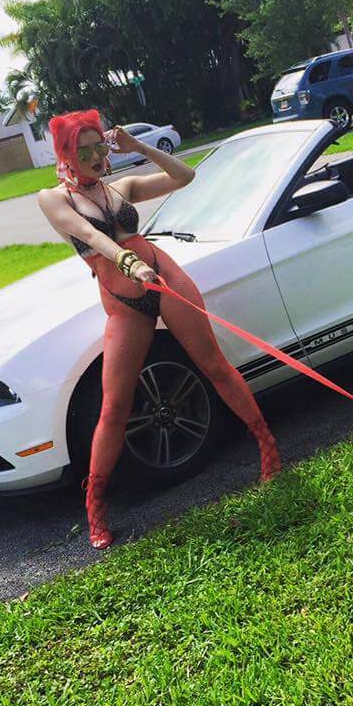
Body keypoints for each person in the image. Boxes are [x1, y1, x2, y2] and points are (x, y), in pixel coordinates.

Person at [37, 109, 281, 549]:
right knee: (114, 406)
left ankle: (267, 447)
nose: (95, 156)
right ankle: (95, 508)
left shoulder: (121, 188)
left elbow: (184, 176)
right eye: (84, 150)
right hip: (123, 300)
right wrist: (123, 258)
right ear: (67, 155)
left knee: (216, 366)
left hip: (164, 277)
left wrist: (139, 148)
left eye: (99, 146)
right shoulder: (54, 199)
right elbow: (89, 236)